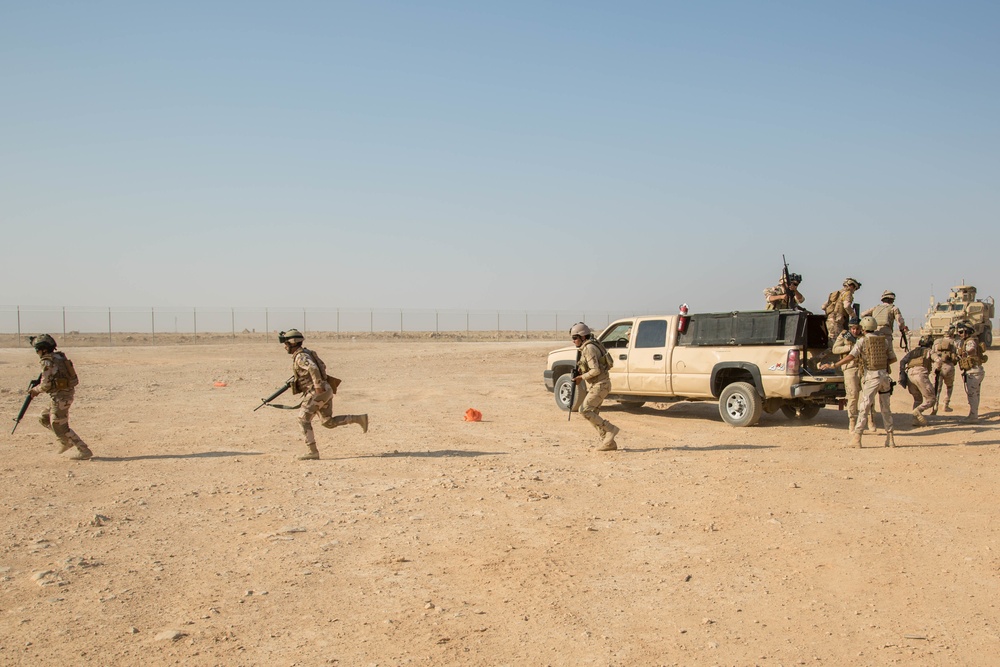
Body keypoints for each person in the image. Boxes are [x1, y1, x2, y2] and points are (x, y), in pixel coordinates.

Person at [279, 329, 368, 460]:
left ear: (293, 343)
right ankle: (359, 419)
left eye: (286, 343)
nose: (285, 346)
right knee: (328, 422)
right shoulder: (306, 353)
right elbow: (321, 367)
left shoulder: (300, 357)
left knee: (303, 419)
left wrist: (317, 385)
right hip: (326, 390)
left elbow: (313, 368)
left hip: (318, 391)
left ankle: (312, 452)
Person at [820, 315, 896, 448]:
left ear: (864, 328)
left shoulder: (862, 341)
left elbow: (850, 356)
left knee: (864, 407)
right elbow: (893, 358)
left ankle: (857, 438)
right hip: (884, 377)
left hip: (871, 377)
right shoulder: (884, 341)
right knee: (886, 408)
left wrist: (835, 365)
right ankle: (890, 439)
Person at [28, 334, 93, 460]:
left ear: (44, 349)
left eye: (38, 350)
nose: (37, 352)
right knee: (44, 418)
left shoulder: (47, 361)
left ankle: (83, 450)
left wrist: (35, 390)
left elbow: (46, 385)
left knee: (59, 425)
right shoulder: (59, 357)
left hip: (61, 397)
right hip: (61, 396)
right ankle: (65, 441)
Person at [570, 322, 619, 451]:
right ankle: (608, 442)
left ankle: (611, 429)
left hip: (600, 384)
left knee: (584, 410)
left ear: (582, 337)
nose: (573, 341)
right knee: (593, 414)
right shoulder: (589, 346)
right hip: (598, 384)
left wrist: (581, 377)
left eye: (575, 338)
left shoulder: (589, 348)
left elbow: (595, 370)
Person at [831, 317, 863, 433]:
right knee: (853, 395)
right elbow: (835, 349)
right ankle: (852, 421)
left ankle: (871, 420)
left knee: (869, 396)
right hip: (850, 367)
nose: (855, 331)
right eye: (853, 329)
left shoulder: (864, 336)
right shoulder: (845, 335)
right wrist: (849, 347)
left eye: (857, 328)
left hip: (863, 367)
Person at [899, 335, 935, 427]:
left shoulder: (913, 352)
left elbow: (902, 361)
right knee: (931, 399)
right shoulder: (929, 351)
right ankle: (918, 410)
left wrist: (902, 373)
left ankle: (915, 420)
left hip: (910, 376)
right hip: (921, 375)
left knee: (917, 398)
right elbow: (938, 361)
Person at [955, 322, 988, 422]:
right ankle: (974, 414)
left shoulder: (969, 342)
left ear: (967, 332)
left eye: (961, 332)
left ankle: (973, 417)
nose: (959, 334)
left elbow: (972, 349)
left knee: (972, 394)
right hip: (976, 371)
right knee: (976, 394)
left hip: (973, 371)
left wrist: (963, 354)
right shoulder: (971, 340)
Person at [823, 277, 861, 343]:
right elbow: (846, 306)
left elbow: (823, 307)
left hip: (830, 321)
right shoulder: (847, 293)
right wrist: (853, 316)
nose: (854, 291)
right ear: (852, 286)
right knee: (836, 344)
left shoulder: (836, 294)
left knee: (842, 338)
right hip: (837, 322)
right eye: (855, 289)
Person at [930, 325, 959, 412]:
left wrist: (937, 360)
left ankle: (935, 406)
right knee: (949, 386)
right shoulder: (954, 342)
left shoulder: (936, 341)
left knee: (936, 388)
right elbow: (957, 355)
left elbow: (932, 353)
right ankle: (946, 405)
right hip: (948, 367)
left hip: (937, 366)